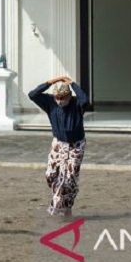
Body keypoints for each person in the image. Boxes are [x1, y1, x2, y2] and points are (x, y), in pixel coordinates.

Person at [28, 75, 90, 218]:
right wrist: (51, 82)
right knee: (51, 175)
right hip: (59, 143)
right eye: (57, 98)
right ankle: (63, 202)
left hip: (76, 145)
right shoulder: (51, 103)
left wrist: (73, 84)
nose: (60, 101)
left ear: (69, 96)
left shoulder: (77, 104)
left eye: (63, 98)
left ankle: (60, 206)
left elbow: (85, 99)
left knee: (69, 177)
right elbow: (33, 94)